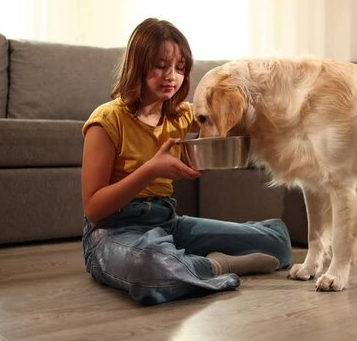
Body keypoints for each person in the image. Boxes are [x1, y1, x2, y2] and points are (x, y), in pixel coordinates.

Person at [81, 18, 292, 305]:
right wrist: (151, 170)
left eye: (180, 68)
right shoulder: (107, 120)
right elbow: (94, 209)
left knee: (277, 243)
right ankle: (216, 265)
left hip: (167, 221)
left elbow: (227, 119)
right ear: (137, 64)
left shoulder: (181, 115)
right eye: (160, 65)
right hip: (113, 231)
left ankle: (181, 261)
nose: (171, 76)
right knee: (151, 270)